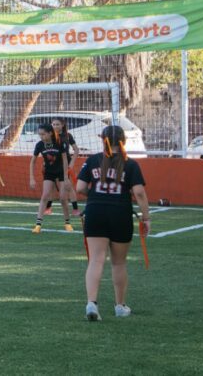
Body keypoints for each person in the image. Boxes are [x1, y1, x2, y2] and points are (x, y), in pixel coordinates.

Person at [76, 125, 150, 321]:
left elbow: (80, 187)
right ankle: (119, 306)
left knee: (96, 260)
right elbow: (139, 192)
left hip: (95, 212)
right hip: (120, 213)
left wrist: (95, 195)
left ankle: (92, 303)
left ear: (103, 140)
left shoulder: (92, 160)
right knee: (118, 263)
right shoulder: (130, 164)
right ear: (124, 141)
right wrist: (146, 218)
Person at [29, 124, 74, 233]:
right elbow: (33, 162)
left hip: (62, 172)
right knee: (45, 196)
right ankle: (38, 225)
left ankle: (67, 223)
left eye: (43, 134)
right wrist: (31, 178)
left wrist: (66, 177)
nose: (41, 136)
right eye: (39, 134)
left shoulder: (59, 142)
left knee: (63, 198)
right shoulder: (39, 145)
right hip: (49, 172)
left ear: (50, 133)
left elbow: (65, 160)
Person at [51, 117, 81, 216]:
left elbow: (76, 150)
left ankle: (75, 209)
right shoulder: (49, 136)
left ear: (62, 125)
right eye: (53, 124)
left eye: (57, 124)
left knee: (68, 186)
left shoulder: (68, 135)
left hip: (65, 163)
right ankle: (47, 207)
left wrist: (72, 163)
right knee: (51, 185)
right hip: (53, 164)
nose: (55, 126)